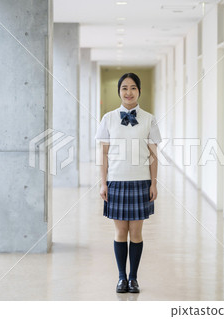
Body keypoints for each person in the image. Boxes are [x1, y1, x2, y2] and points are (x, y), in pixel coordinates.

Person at [94, 73, 162, 293]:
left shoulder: (149, 118)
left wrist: (154, 183)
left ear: (139, 91)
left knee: (136, 233)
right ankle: (121, 277)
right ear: (119, 91)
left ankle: (134, 278)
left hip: (140, 181)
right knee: (120, 232)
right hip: (116, 181)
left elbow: (153, 155)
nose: (129, 92)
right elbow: (103, 154)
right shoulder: (108, 118)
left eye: (133, 88)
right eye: (124, 88)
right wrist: (103, 183)